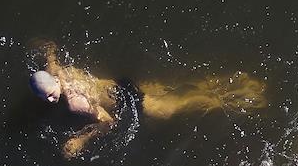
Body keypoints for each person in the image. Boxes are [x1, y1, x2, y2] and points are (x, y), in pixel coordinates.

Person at [27, 39, 268, 157]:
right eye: (45, 98)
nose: (50, 101)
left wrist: (81, 140)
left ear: (53, 84)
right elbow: (50, 51)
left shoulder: (74, 103)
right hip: (121, 84)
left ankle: (234, 98)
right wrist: (46, 47)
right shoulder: (58, 72)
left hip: (132, 101)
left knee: (182, 105)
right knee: (173, 90)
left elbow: (108, 121)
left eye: (50, 95)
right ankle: (220, 82)